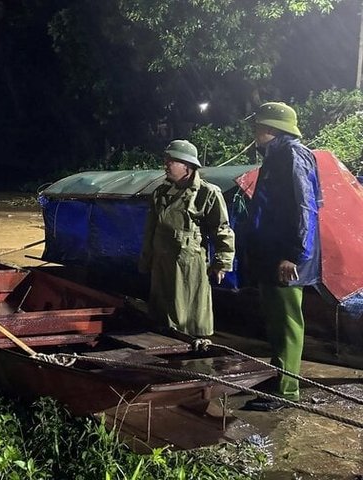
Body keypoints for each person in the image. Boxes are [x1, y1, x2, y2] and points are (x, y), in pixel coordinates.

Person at [242, 102, 322, 412]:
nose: (255, 132)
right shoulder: (276, 157)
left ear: (272, 128)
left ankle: (287, 391)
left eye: (258, 126)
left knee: (287, 324)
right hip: (273, 255)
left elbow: (305, 207)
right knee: (276, 322)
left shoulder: (293, 155)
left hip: (286, 258)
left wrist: (294, 254)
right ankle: (278, 378)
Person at [138, 139, 235, 337]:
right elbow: (151, 230)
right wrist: (146, 259)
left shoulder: (207, 193)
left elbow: (222, 230)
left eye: (172, 161)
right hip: (161, 263)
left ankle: (191, 345)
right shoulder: (161, 193)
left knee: (188, 314)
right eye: (166, 160)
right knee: (161, 314)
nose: (166, 165)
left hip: (189, 265)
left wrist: (222, 263)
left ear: (187, 166)